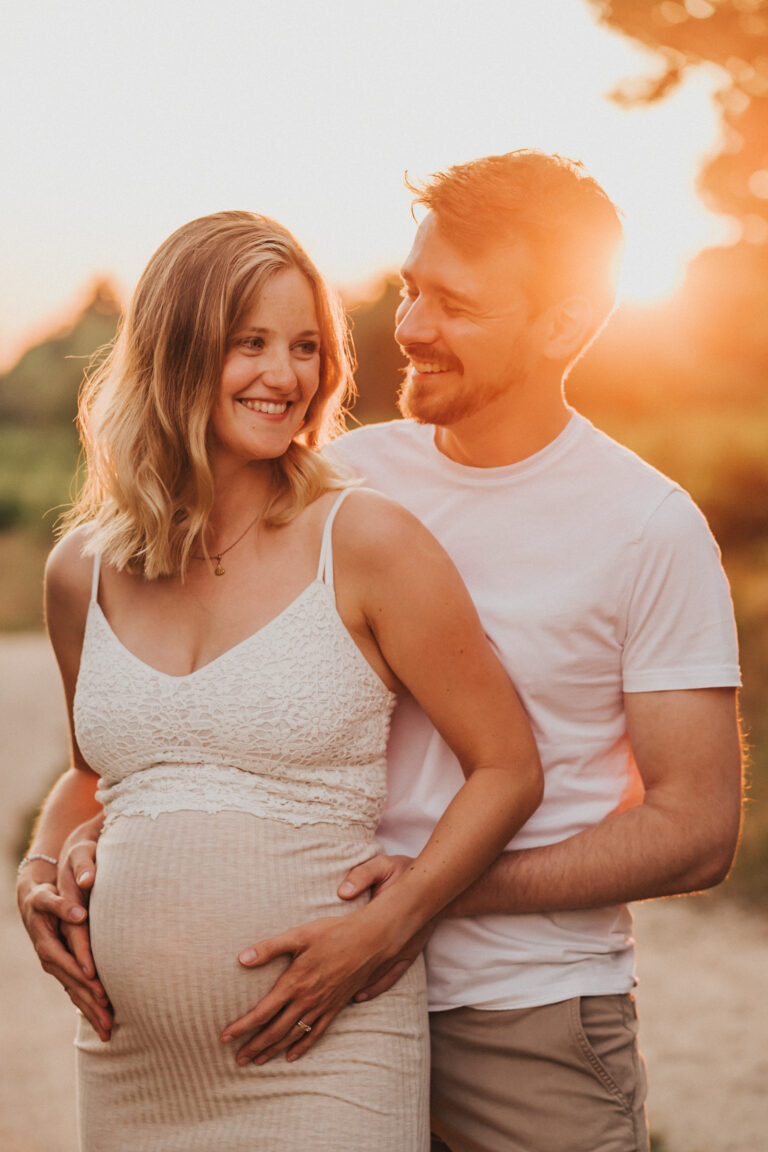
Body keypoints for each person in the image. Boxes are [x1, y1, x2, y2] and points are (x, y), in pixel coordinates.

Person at [211, 153, 742, 1152]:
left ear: (563, 325)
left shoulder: (647, 527)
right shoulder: (342, 481)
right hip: (318, 1008)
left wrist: (419, 895)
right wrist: (74, 839)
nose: (409, 326)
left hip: (526, 1017)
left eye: (454, 303)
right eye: (413, 289)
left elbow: (698, 828)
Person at [16, 210, 544, 1152]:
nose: (286, 376)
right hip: (131, 1066)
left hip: (328, 1050)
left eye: (306, 346)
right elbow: (90, 777)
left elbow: (507, 765)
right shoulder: (79, 570)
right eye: (248, 343)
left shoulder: (367, 540)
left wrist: (393, 926)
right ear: (174, 353)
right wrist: (40, 869)